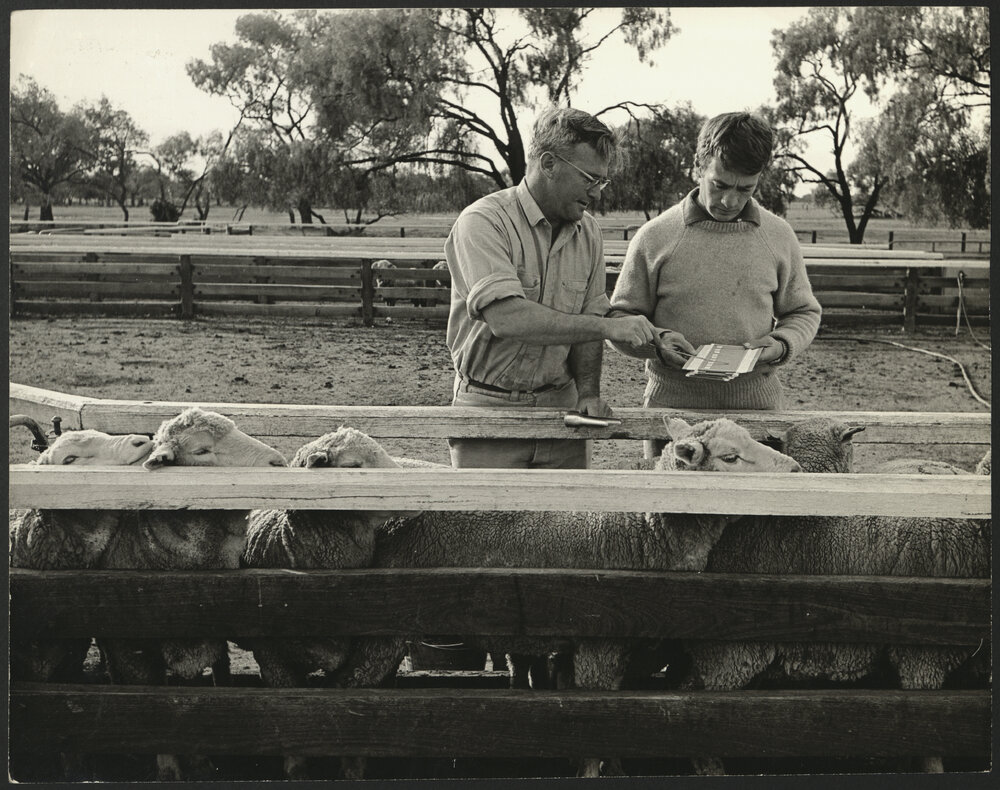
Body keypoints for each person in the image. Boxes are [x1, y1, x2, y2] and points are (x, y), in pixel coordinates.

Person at [443, 106, 669, 469]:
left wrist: (590, 394)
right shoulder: (483, 222)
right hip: (489, 410)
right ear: (548, 164)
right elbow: (508, 319)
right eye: (589, 179)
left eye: (602, 182)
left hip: (562, 411)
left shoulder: (589, 232)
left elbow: (591, 315)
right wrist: (608, 326)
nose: (596, 193)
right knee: (486, 523)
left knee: (569, 523)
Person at [608, 111, 822, 458]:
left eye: (745, 189)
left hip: (757, 416)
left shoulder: (778, 236)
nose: (730, 201)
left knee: (756, 512)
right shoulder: (655, 237)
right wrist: (657, 342)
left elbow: (803, 312)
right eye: (719, 185)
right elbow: (619, 319)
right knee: (671, 513)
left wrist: (780, 345)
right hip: (676, 418)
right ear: (697, 165)